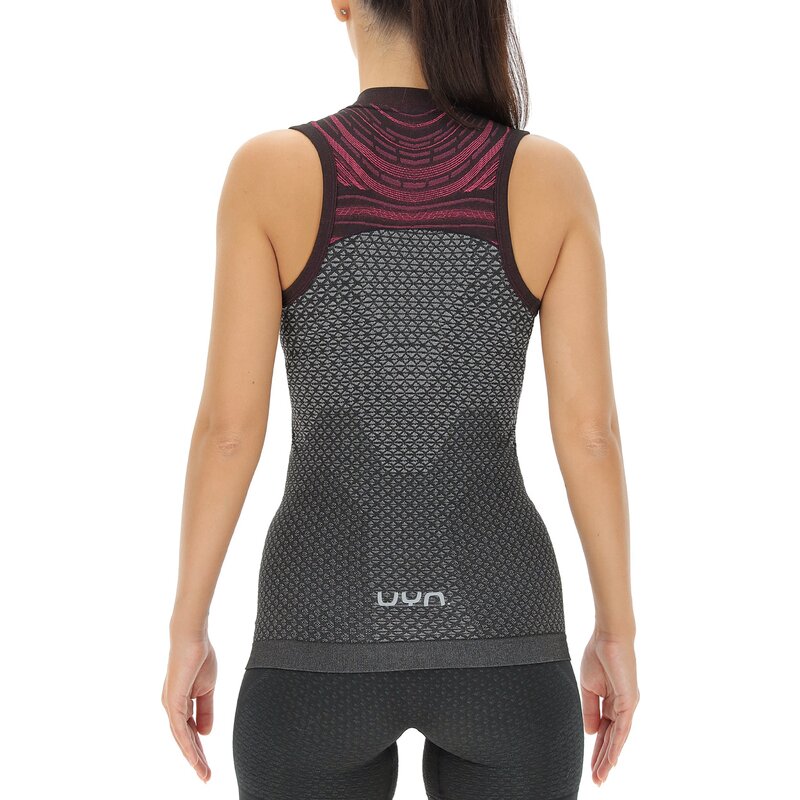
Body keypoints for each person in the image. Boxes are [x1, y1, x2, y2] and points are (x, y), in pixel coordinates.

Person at [161, 1, 639, 797]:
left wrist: (188, 629)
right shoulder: (549, 176)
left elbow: (227, 432)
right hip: (505, 631)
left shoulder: (270, 171)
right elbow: (591, 433)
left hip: (316, 628)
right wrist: (616, 632)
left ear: (343, 3)